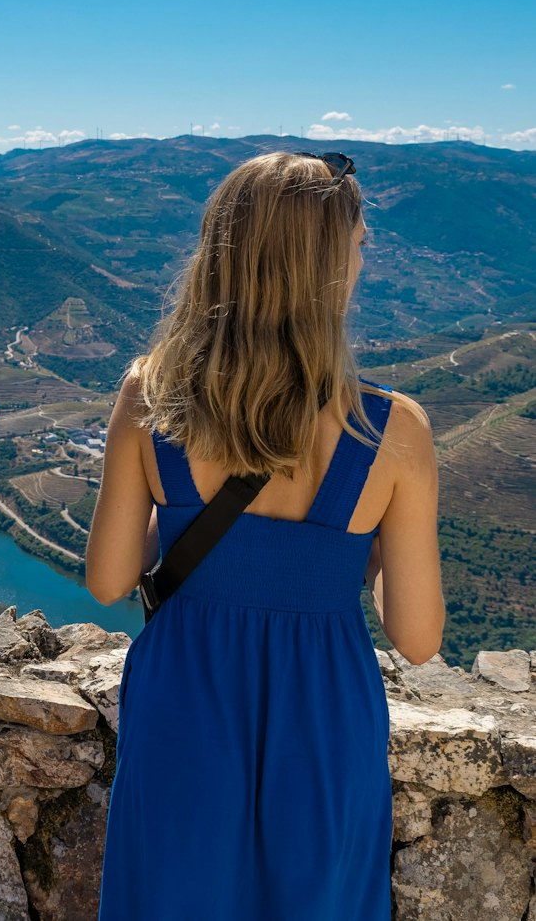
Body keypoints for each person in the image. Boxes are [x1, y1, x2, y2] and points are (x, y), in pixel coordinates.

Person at [84, 149, 444, 921]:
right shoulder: (394, 430)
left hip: (182, 702)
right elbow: (416, 636)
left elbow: (111, 579)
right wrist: (363, 544)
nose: (363, 259)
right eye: (357, 247)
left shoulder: (149, 396)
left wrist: (180, 516)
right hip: (324, 718)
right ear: (326, 269)